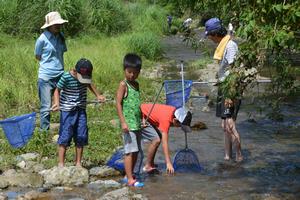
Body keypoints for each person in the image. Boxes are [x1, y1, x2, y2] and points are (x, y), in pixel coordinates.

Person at [51, 58, 105, 167]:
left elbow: (90, 84)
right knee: (65, 135)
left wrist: (98, 95)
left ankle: (78, 163)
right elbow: (57, 90)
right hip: (67, 111)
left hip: (81, 110)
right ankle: (61, 164)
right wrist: (56, 103)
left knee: (81, 135)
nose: (83, 80)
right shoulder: (66, 77)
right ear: (75, 71)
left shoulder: (86, 78)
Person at [205, 17, 243, 162]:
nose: (209, 38)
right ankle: (227, 157)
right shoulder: (222, 45)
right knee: (224, 125)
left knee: (230, 124)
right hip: (224, 86)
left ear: (214, 33)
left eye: (208, 35)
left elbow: (234, 70)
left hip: (231, 88)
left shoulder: (230, 45)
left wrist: (230, 95)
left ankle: (239, 157)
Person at [35, 11, 68, 130]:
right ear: (49, 25)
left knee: (64, 104)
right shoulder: (41, 39)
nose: (58, 26)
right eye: (56, 24)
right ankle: (44, 133)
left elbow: (61, 53)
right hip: (46, 77)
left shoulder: (61, 37)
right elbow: (38, 56)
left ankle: (65, 129)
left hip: (60, 75)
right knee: (46, 107)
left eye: (59, 24)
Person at [116, 53, 144, 187]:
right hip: (128, 124)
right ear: (124, 70)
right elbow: (118, 103)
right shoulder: (123, 85)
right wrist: (123, 122)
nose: (132, 75)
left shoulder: (136, 85)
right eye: (129, 72)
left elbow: (138, 105)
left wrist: (143, 119)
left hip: (137, 123)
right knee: (129, 151)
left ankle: (131, 173)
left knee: (136, 150)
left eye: (135, 72)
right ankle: (129, 178)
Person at [141, 104, 192, 174]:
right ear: (175, 120)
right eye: (180, 125)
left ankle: (151, 163)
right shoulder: (166, 119)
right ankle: (147, 166)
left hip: (147, 115)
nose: (179, 127)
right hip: (141, 116)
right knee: (156, 140)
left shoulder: (174, 112)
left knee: (158, 137)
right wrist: (168, 163)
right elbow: (165, 143)